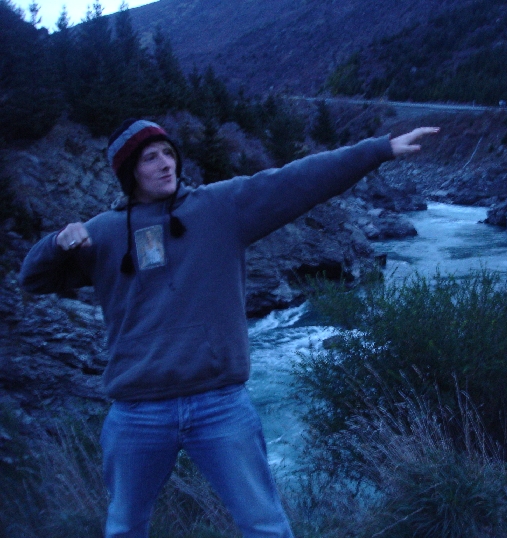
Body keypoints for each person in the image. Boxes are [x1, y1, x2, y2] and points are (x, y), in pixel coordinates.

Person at [18, 118, 439, 538]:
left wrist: (377, 150)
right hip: (137, 411)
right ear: (129, 171)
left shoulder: (218, 208)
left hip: (218, 404)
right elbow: (33, 279)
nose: (166, 163)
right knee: (125, 526)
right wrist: (55, 244)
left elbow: (297, 181)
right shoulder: (103, 233)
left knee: (265, 526)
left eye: (168, 153)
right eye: (150, 158)